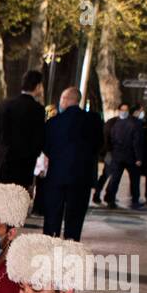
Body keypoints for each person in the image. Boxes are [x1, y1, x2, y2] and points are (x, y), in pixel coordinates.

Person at [42, 87, 102, 241]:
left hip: (57, 175)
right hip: (82, 177)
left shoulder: (54, 122)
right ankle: (72, 245)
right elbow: (99, 146)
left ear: (67, 100)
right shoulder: (93, 121)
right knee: (75, 216)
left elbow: (46, 147)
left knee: (53, 215)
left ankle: (50, 243)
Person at [0, 70, 46, 188]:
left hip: (1, 163)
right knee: (16, 203)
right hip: (22, 166)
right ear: (38, 86)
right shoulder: (37, 109)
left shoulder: (4, 105)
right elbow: (38, 140)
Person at [102, 102, 145, 209]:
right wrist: (139, 157)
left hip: (117, 155)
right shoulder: (135, 124)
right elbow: (137, 142)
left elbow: (110, 138)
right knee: (134, 180)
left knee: (114, 179)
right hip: (129, 156)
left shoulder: (116, 123)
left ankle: (110, 199)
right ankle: (135, 200)